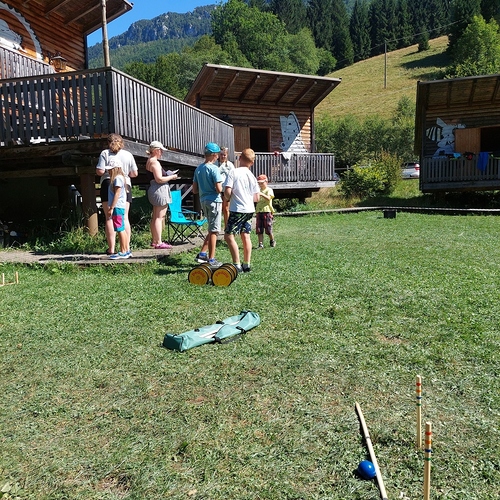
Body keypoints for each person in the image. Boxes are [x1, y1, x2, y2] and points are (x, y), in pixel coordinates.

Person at [96, 133, 138, 256]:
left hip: (108, 182)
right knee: (124, 217)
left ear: (108, 143)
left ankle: (112, 248)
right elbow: (134, 174)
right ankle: (126, 247)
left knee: (109, 217)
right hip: (125, 183)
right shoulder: (128, 154)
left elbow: (100, 171)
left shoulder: (105, 153)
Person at [223, 148, 260, 273]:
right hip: (249, 209)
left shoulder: (233, 172)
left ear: (239, 158)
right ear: (252, 163)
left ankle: (237, 264)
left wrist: (228, 198)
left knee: (228, 236)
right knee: (246, 235)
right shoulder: (252, 176)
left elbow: (227, 191)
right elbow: (257, 198)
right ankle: (247, 264)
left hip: (237, 209)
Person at [192, 142, 223, 267]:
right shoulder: (214, 169)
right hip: (214, 201)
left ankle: (202, 254)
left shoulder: (198, 169)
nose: (218, 157)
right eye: (218, 154)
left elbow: (194, 190)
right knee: (214, 231)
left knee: (211, 228)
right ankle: (212, 259)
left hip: (203, 200)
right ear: (214, 155)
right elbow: (219, 189)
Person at [145, 141, 179, 249]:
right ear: (156, 150)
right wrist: (172, 177)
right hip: (159, 189)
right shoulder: (154, 162)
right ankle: (159, 242)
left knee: (155, 216)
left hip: (154, 189)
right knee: (160, 217)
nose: (162, 153)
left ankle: (155, 240)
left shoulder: (149, 161)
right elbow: (159, 179)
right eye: (161, 150)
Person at [105, 160, 129, 259]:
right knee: (120, 228)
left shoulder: (117, 179)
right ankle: (125, 250)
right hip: (119, 206)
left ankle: (123, 251)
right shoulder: (120, 178)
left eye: (110, 169)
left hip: (117, 206)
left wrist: (111, 207)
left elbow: (117, 194)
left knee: (120, 229)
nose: (108, 171)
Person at [255, 174, 276, 248]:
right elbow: (256, 200)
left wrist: (261, 194)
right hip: (259, 211)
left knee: (268, 228)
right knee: (259, 229)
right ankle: (260, 244)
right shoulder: (258, 190)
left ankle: (272, 240)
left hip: (267, 211)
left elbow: (269, 198)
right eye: (259, 183)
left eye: (262, 183)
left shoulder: (269, 190)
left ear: (266, 182)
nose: (260, 185)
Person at [218, 147, 235, 226]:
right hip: (218, 189)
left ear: (227, 155)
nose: (223, 156)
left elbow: (234, 176)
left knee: (226, 208)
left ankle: (227, 226)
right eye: (221, 155)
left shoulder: (230, 165)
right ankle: (218, 226)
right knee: (219, 209)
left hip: (226, 189)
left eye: (224, 155)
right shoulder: (216, 164)